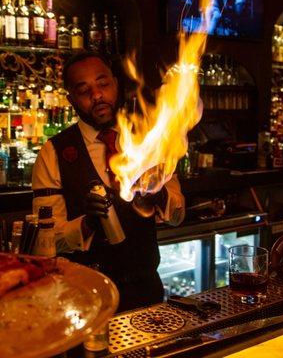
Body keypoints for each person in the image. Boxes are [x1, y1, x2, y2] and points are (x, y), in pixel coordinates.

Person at [32, 51, 185, 312]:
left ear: (115, 83)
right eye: (84, 90)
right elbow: (44, 240)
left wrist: (157, 194)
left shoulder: (149, 140)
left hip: (145, 291)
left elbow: (178, 214)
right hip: (83, 299)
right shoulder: (53, 153)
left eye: (103, 84)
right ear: (70, 99)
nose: (97, 95)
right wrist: (87, 224)